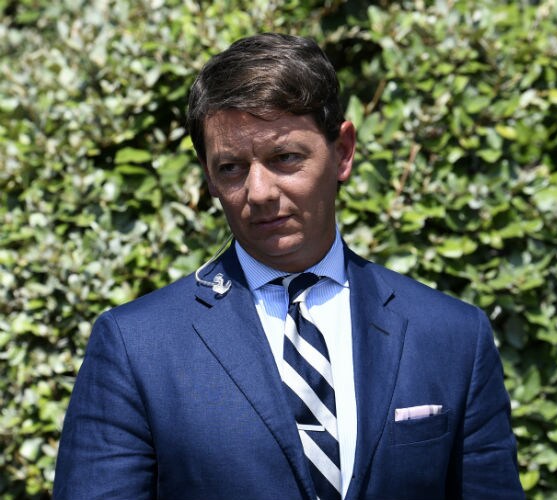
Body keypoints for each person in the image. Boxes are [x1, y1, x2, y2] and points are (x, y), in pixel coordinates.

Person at [54, 33, 524, 499]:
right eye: (232, 168)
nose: (259, 192)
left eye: (284, 158)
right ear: (208, 176)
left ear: (342, 152)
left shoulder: (452, 336)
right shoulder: (137, 346)